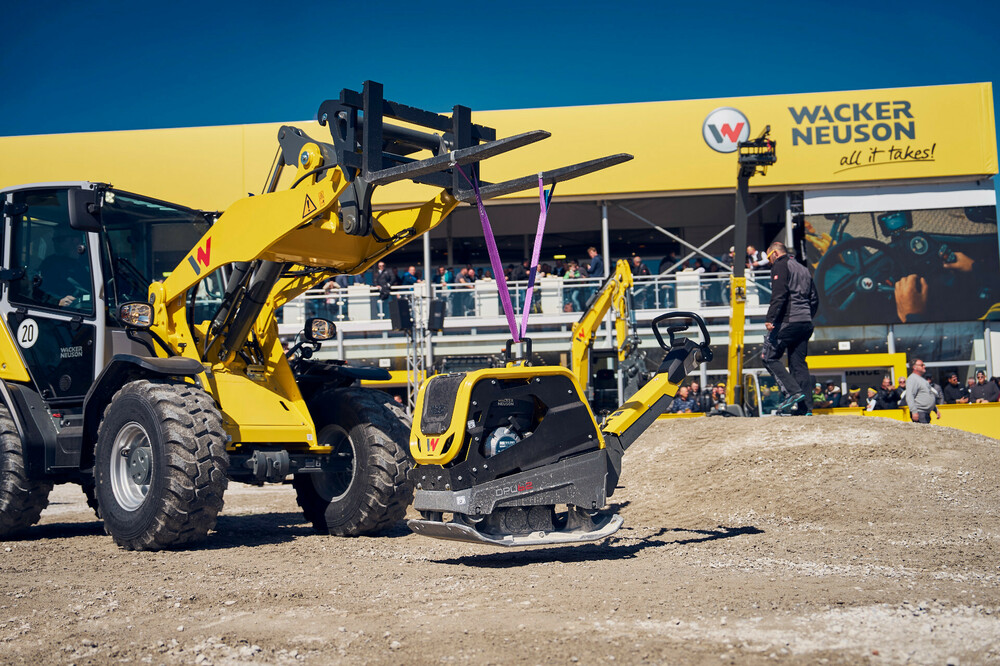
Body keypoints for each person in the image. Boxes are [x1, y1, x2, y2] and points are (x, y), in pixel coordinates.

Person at [760, 242, 819, 415]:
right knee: (798, 364)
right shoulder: (803, 269)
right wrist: (807, 316)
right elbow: (814, 298)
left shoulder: (780, 265)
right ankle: (805, 409)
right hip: (805, 322)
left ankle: (792, 393)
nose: (770, 262)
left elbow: (779, 294)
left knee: (768, 357)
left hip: (788, 321)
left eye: (769, 258)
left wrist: (770, 318)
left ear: (775, 253)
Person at [36, 233, 92, 309]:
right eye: (54, 240)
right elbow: (40, 290)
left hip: (90, 307)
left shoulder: (90, 260)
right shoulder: (50, 263)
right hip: (64, 311)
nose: (55, 243)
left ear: (75, 240)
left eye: (60, 239)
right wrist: (57, 301)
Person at [905, 359, 941, 423]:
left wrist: (935, 409)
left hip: (925, 413)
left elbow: (928, 394)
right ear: (914, 367)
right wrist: (914, 411)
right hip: (920, 413)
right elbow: (909, 396)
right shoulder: (912, 379)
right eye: (922, 365)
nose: (924, 366)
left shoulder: (922, 379)